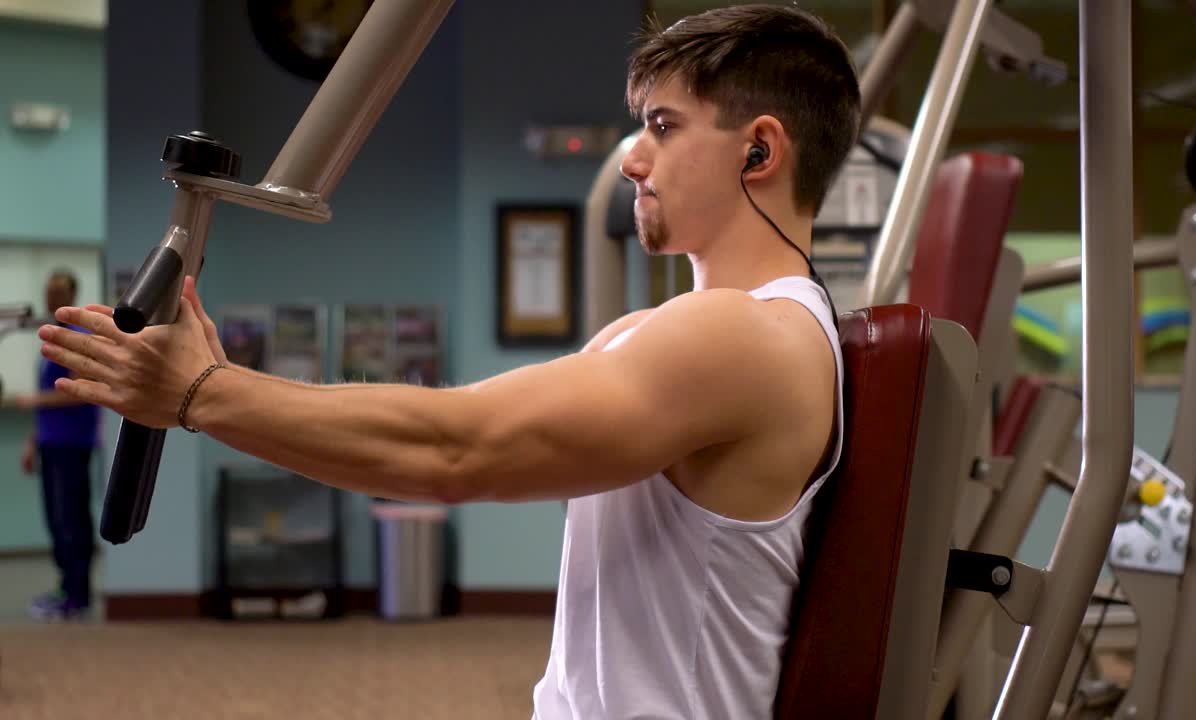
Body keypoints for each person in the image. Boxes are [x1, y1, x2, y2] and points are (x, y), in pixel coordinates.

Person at [38, 4, 860, 716]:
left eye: (663, 126)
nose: (633, 159)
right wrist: (214, 392)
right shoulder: (667, 329)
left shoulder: (745, 338)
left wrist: (204, 394)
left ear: (759, 151)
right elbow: (457, 433)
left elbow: (459, 450)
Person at [14, 269, 101, 621]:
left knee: (71, 519)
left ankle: (78, 594)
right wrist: (33, 442)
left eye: (59, 292)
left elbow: (79, 390)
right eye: (48, 292)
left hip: (73, 443)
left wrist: (35, 401)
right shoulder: (52, 338)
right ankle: (66, 587)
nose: (51, 299)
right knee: (55, 518)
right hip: (51, 442)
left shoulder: (79, 337)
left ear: (72, 295)